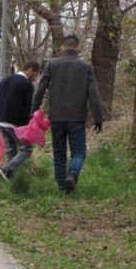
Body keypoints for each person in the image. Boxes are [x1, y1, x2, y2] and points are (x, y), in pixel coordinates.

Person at [32, 34, 105, 193]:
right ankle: (72, 174)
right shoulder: (85, 66)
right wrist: (98, 119)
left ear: (62, 48)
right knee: (79, 152)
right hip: (77, 117)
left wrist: (34, 110)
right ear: (78, 47)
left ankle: (62, 188)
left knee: (59, 153)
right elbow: (94, 94)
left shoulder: (52, 64)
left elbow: (40, 89)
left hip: (56, 117)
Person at [0, 60, 42, 183]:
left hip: (1, 122)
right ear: (30, 70)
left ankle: (9, 179)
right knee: (26, 150)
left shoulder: (5, 80)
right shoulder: (26, 84)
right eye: (35, 74)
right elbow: (29, 106)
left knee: (11, 150)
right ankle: (7, 170)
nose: (35, 78)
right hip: (15, 124)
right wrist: (30, 125)